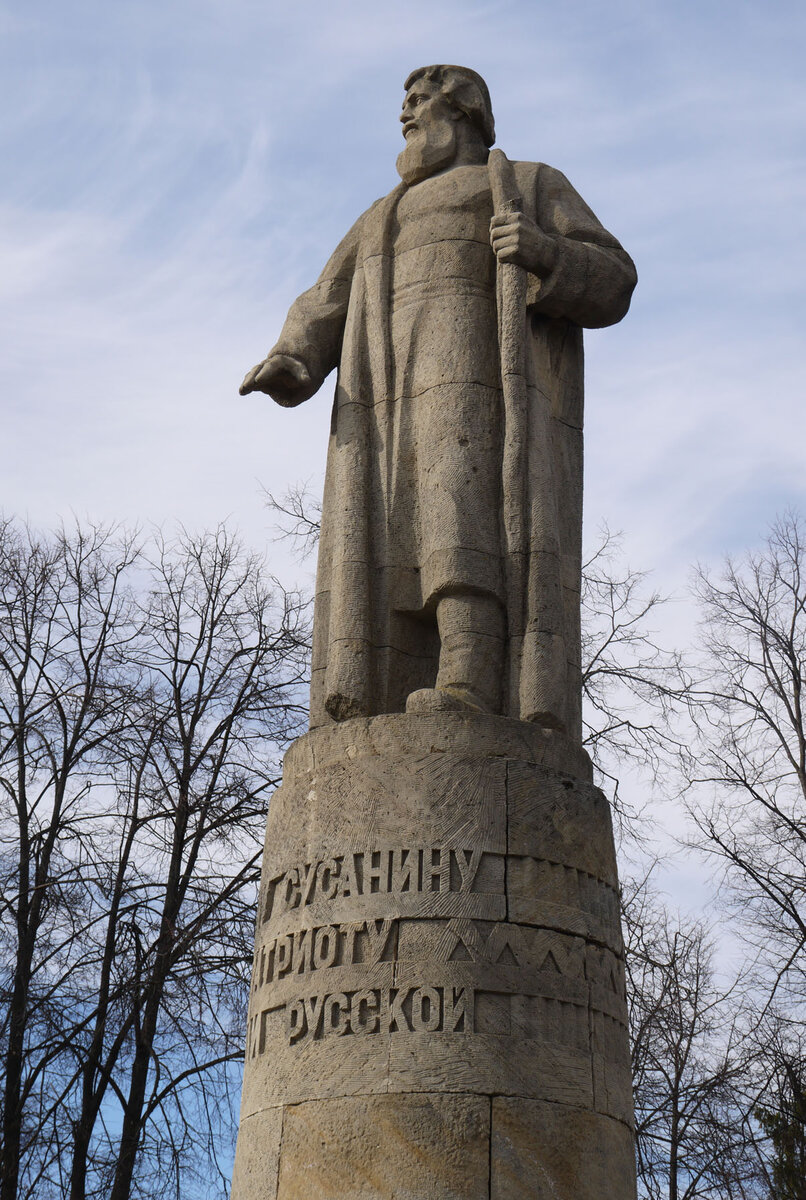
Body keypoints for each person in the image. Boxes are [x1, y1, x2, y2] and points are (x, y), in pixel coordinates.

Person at [241, 65, 636, 737]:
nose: (407, 116)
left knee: (462, 524)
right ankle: (381, 691)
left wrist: (543, 251)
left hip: (480, 392)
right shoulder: (381, 216)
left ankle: (469, 676)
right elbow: (326, 296)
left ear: (465, 112)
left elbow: (615, 278)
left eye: (420, 103)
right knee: (387, 544)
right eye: (406, 105)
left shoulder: (528, 183)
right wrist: (295, 355)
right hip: (386, 410)